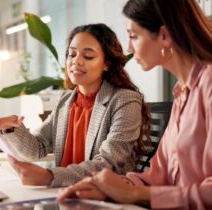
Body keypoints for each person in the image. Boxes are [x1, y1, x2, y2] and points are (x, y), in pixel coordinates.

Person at [57, 0, 212, 209]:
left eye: (133, 36)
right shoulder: (183, 93)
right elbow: (157, 176)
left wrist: (133, 193)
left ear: (164, 35)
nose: (129, 47)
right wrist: (110, 189)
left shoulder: (208, 84)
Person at [0, 23, 150, 187]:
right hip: (66, 195)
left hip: (105, 197)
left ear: (106, 63)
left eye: (88, 56)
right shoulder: (65, 101)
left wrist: (49, 176)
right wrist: (12, 129)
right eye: (71, 54)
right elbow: (37, 148)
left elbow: (107, 164)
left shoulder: (125, 100)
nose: (76, 61)